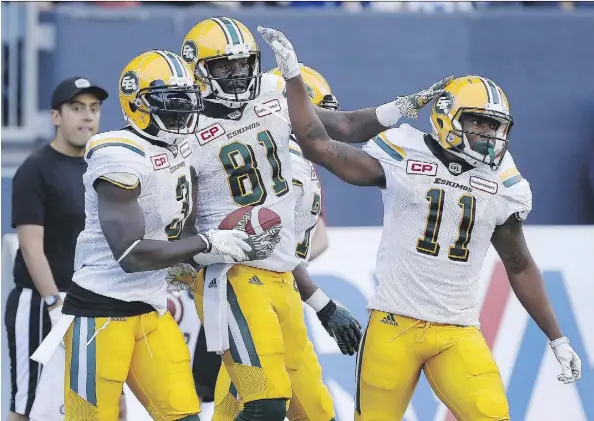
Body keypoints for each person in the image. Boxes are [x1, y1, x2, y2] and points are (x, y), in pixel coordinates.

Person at [259, 26, 583, 421]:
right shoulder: (405, 153)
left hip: (457, 330)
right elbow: (321, 147)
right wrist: (293, 78)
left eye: (496, 126)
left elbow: (519, 263)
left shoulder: (503, 183)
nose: (489, 135)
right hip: (393, 323)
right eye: (478, 122)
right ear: (447, 118)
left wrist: (557, 336)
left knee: (492, 414)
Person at [179, 16, 406, 421]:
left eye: (243, 64)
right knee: (264, 404)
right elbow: (180, 222)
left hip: (279, 280)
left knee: (310, 412)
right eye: (223, 66)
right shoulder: (190, 131)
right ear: (199, 70)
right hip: (230, 276)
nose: (236, 75)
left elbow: (343, 126)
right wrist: (200, 250)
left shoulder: (272, 100)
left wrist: (320, 303)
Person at [39, 49, 273, 421]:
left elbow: (179, 223)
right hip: (100, 314)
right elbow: (130, 254)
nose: (183, 114)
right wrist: (208, 243)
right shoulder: (118, 153)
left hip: (151, 307)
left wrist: (190, 259)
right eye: (172, 104)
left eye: (188, 102)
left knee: (184, 415)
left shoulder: (182, 144)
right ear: (139, 105)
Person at [204, 64, 355, 421]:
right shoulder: (266, 157)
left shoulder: (298, 161)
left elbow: (303, 243)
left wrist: (320, 303)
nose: (325, 125)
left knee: (316, 413)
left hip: (282, 291)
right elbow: (260, 236)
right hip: (244, 290)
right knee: (257, 406)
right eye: (319, 113)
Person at [5, 76, 108, 421]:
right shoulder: (35, 169)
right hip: (39, 304)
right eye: (76, 108)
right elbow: (32, 248)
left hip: (89, 302)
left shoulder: (102, 168)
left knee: (102, 401)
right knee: (28, 404)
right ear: (55, 116)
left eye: (94, 109)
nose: (87, 117)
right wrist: (53, 301)